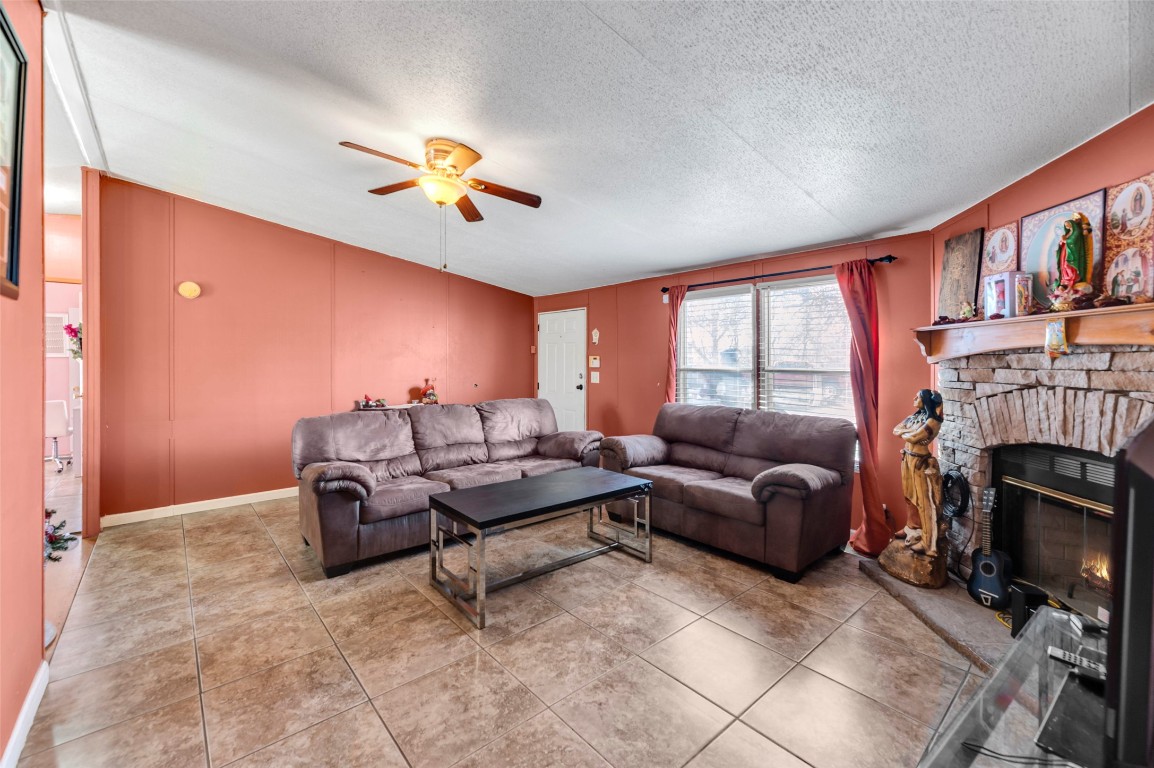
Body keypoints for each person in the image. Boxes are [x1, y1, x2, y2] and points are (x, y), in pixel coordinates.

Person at [893, 390, 945, 557]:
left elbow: (916, 437)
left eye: (918, 397)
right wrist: (907, 433)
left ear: (926, 401)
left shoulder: (933, 422)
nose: (914, 398)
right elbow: (896, 429)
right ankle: (912, 528)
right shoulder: (916, 417)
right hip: (907, 458)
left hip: (920, 462)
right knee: (908, 497)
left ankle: (929, 543)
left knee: (924, 502)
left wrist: (906, 433)